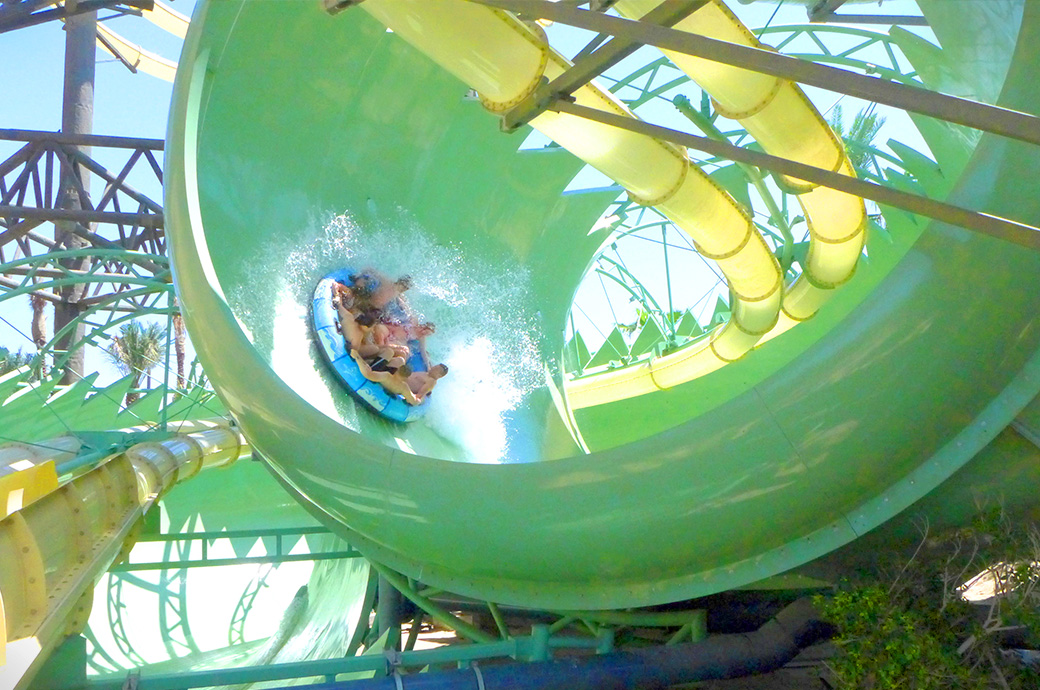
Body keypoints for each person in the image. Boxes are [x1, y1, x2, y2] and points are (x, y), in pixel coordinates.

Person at [350, 350, 421, 405]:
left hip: (379, 378)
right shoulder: (403, 387)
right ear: (407, 377)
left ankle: (368, 360)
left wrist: (357, 357)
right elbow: (413, 401)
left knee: (389, 353)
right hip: (391, 388)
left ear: (398, 369)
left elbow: (368, 375)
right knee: (400, 360)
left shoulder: (387, 376)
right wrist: (419, 400)